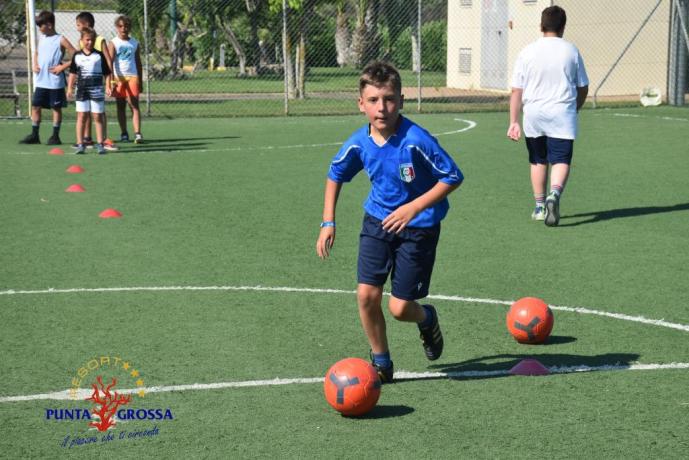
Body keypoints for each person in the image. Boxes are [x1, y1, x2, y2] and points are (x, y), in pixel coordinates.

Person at [316, 61, 463, 383]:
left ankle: (426, 318)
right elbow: (335, 174)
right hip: (378, 223)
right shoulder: (359, 142)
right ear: (361, 104)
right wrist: (329, 222)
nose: (382, 108)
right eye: (373, 100)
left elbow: (452, 176)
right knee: (366, 295)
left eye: (389, 99)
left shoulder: (416, 140)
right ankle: (381, 361)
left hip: (419, 228)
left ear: (401, 100)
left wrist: (413, 208)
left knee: (399, 308)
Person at [507, 5, 588, 227]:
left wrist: (513, 121)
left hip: (533, 114)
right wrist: (576, 107)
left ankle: (540, 207)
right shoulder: (571, 50)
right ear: (563, 27)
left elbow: (516, 91)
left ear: (541, 26)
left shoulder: (526, 51)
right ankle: (554, 194)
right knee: (561, 159)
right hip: (562, 112)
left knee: (537, 160)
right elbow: (583, 87)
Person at [19, 11, 76, 145]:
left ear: (49, 25)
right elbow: (37, 53)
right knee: (35, 107)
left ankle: (55, 136)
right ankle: (35, 135)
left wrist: (62, 67)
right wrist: (35, 63)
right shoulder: (42, 38)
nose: (39, 29)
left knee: (56, 108)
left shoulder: (61, 39)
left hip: (55, 82)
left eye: (41, 26)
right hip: (41, 81)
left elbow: (77, 56)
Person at [75, 11, 117, 151]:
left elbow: (107, 60)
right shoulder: (82, 41)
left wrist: (109, 81)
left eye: (78, 25)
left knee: (99, 113)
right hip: (84, 83)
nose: (77, 28)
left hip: (97, 83)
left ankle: (104, 139)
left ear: (87, 25)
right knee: (84, 113)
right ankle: (87, 139)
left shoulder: (99, 40)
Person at [66, 28, 111, 155]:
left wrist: (107, 86)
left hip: (96, 90)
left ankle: (100, 144)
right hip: (81, 90)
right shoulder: (77, 56)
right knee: (82, 116)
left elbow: (107, 73)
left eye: (92, 40)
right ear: (81, 40)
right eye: (87, 40)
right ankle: (80, 144)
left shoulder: (99, 56)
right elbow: (73, 73)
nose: (89, 42)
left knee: (97, 116)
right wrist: (69, 88)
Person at [108, 15, 143, 144]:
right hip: (118, 78)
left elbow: (138, 63)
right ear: (117, 28)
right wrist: (111, 80)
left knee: (134, 105)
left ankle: (138, 133)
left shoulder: (134, 43)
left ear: (130, 27)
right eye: (121, 26)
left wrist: (140, 81)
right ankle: (124, 132)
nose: (124, 29)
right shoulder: (113, 42)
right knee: (120, 105)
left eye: (126, 26)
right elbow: (110, 62)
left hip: (132, 76)